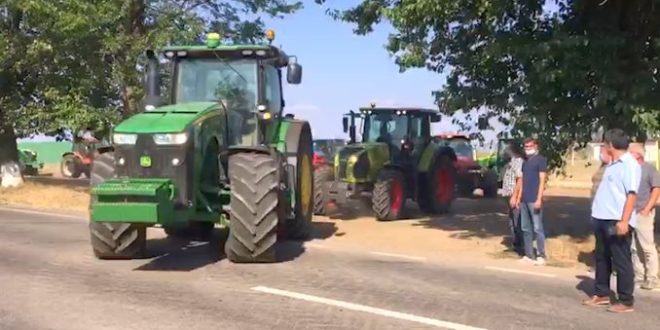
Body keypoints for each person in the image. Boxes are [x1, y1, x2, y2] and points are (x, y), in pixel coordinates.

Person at [583, 128, 641, 313]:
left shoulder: (629, 164)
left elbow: (632, 195)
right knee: (601, 257)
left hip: (616, 220)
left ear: (610, 145)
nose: (603, 146)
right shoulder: (612, 164)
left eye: (604, 143)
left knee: (621, 260)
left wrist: (624, 221)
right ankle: (602, 293)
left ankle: (626, 300)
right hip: (601, 217)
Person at [628, 144, 660, 290]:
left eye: (630, 153)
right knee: (635, 247)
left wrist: (647, 209)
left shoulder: (649, 170)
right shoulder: (629, 169)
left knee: (647, 247)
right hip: (631, 213)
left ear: (638, 155)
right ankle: (639, 276)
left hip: (643, 213)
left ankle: (652, 278)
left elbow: (656, 190)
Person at [518, 138, 548, 266]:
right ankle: (529, 255)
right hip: (524, 199)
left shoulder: (540, 160)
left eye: (530, 146)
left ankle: (541, 255)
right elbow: (522, 181)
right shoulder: (525, 162)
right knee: (525, 228)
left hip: (534, 199)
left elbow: (542, 181)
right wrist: (519, 197)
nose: (527, 149)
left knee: (537, 228)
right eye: (525, 147)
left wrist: (539, 198)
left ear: (536, 146)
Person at [501, 142, 524, 255]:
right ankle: (515, 244)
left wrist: (515, 196)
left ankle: (520, 246)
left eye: (508, 149)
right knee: (511, 220)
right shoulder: (510, 162)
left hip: (512, 194)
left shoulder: (517, 161)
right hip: (508, 194)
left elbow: (519, 179)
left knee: (516, 220)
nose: (506, 151)